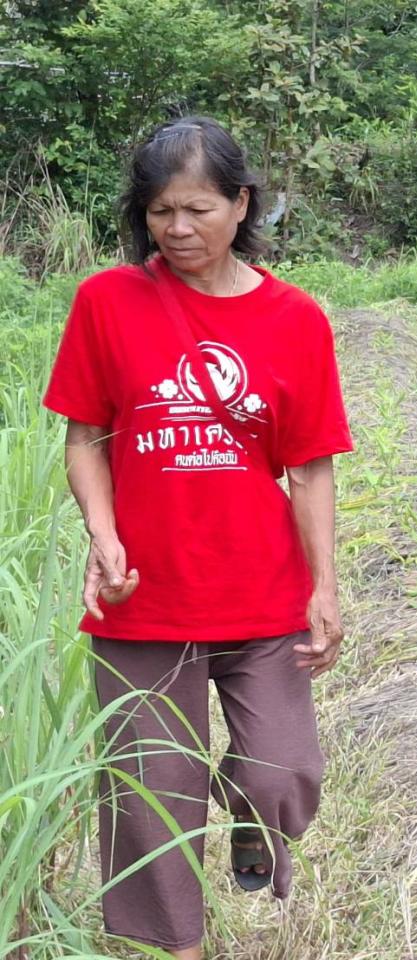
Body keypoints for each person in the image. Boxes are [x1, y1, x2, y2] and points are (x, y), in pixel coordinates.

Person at [43, 116, 352, 959]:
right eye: (159, 212)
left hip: (263, 594)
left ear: (241, 203)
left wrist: (324, 586)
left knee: (284, 773)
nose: (177, 230)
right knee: (150, 796)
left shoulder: (296, 318)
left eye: (198, 210)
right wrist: (102, 536)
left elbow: (312, 467)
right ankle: (170, 946)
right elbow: (84, 439)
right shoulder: (107, 302)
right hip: (143, 597)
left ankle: (254, 827)